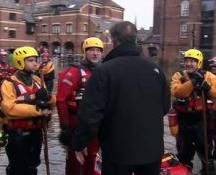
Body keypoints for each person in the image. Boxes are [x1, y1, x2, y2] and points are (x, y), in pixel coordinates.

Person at [73, 21, 170, 175]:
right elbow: (165, 106)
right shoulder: (156, 70)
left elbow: (90, 113)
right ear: (135, 39)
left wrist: (80, 142)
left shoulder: (104, 71)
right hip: (152, 150)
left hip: (118, 152)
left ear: (114, 41)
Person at [0, 46, 55, 175]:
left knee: (32, 167)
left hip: (36, 133)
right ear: (20, 62)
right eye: (30, 60)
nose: (35, 63)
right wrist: (37, 109)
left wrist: (49, 97)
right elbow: (9, 109)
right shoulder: (8, 84)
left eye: (36, 60)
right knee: (17, 168)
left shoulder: (38, 80)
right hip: (17, 135)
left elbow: (52, 103)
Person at [171, 49, 216, 175]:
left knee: (205, 151)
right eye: (187, 61)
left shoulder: (209, 76)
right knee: (184, 153)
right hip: (184, 120)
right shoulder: (178, 76)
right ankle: (185, 170)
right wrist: (193, 82)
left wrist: (207, 87)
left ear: (199, 63)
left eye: (192, 61)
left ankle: (208, 171)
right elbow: (177, 92)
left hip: (202, 121)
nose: (189, 64)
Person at [56, 37, 103, 175]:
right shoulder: (74, 72)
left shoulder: (103, 72)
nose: (95, 53)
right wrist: (65, 127)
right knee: (75, 162)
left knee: (92, 157)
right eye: (91, 50)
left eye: (98, 50)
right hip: (77, 124)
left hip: (97, 125)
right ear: (84, 52)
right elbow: (61, 100)